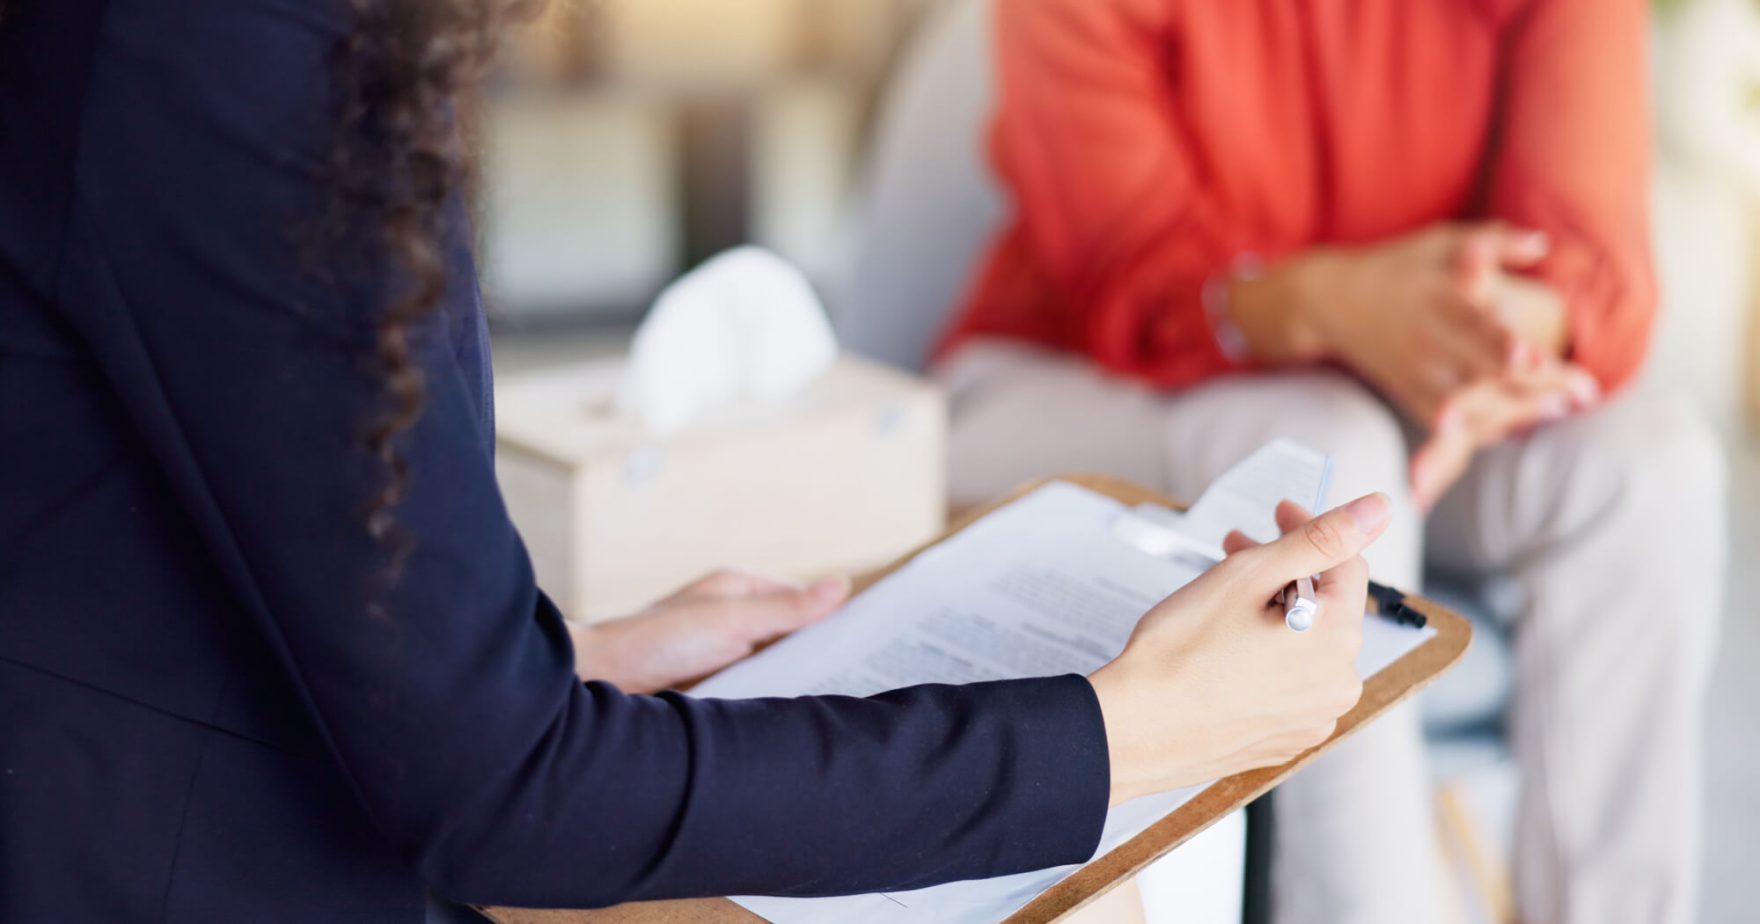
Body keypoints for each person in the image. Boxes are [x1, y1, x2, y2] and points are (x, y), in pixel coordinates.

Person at [0, 1, 1392, 920]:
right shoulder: (242, 46)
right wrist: (1127, 736)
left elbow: (136, 527)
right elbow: (501, 799)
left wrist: (549, 664)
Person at [936, 1, 1728, 923]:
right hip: (1075, 379)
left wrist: (1485, 336)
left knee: (1648, 462)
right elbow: (1131, 276)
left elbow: (1592, 273)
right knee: (1333, 462)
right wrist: (1331, 302)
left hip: (1404, 406)